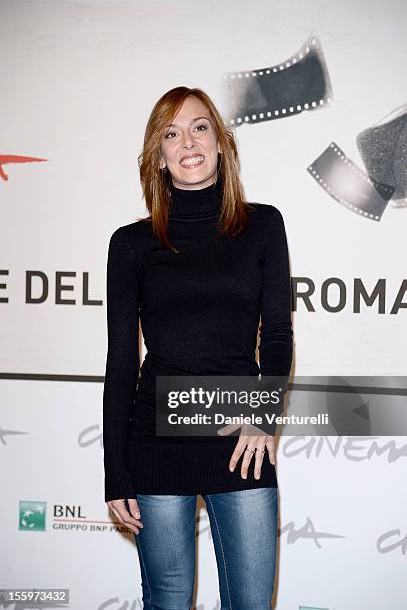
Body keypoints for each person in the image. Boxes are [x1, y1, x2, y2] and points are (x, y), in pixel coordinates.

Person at [103, 86, 293, 610]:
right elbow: (121, 362)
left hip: (241, 436)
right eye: (171, 132)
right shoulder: (131, 244)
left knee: (252, 602)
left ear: (220, 143)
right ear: (158, 156)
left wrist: (262, 415)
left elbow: (277, 335)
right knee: (167, 599)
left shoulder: (263, 225)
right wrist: (114, 470)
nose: (187, 141)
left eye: (200, 126)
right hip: (156, 440)